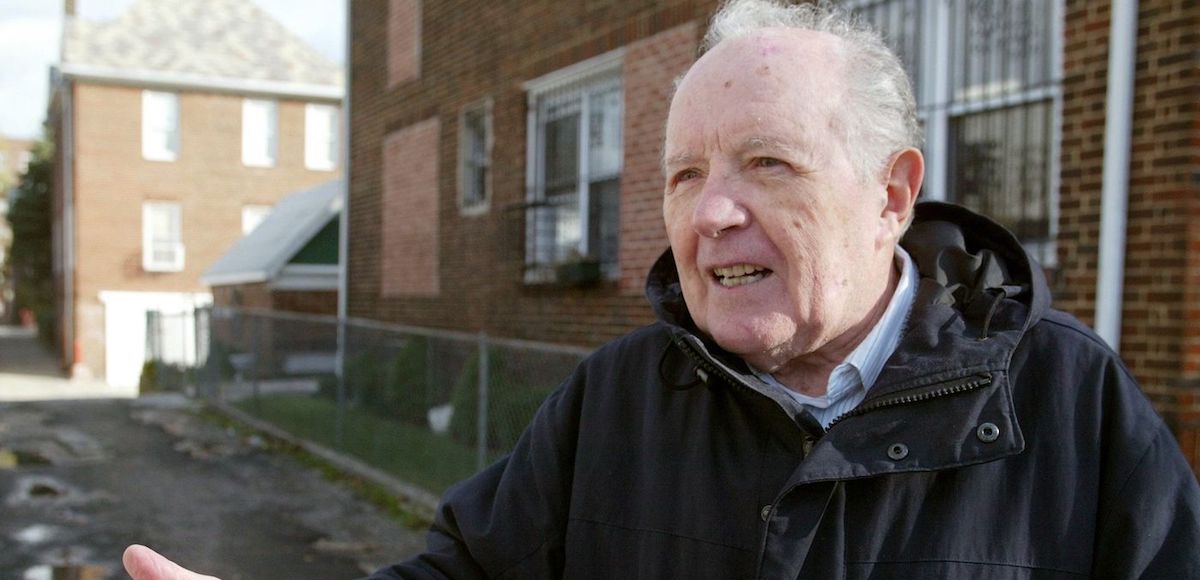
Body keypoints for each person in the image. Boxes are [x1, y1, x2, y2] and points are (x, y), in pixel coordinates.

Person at [124, 0, 1200, 578]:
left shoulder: (1069, 409)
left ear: (890, 195)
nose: (708, 213)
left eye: (765, 164)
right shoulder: (616, 402)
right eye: (684, 174)